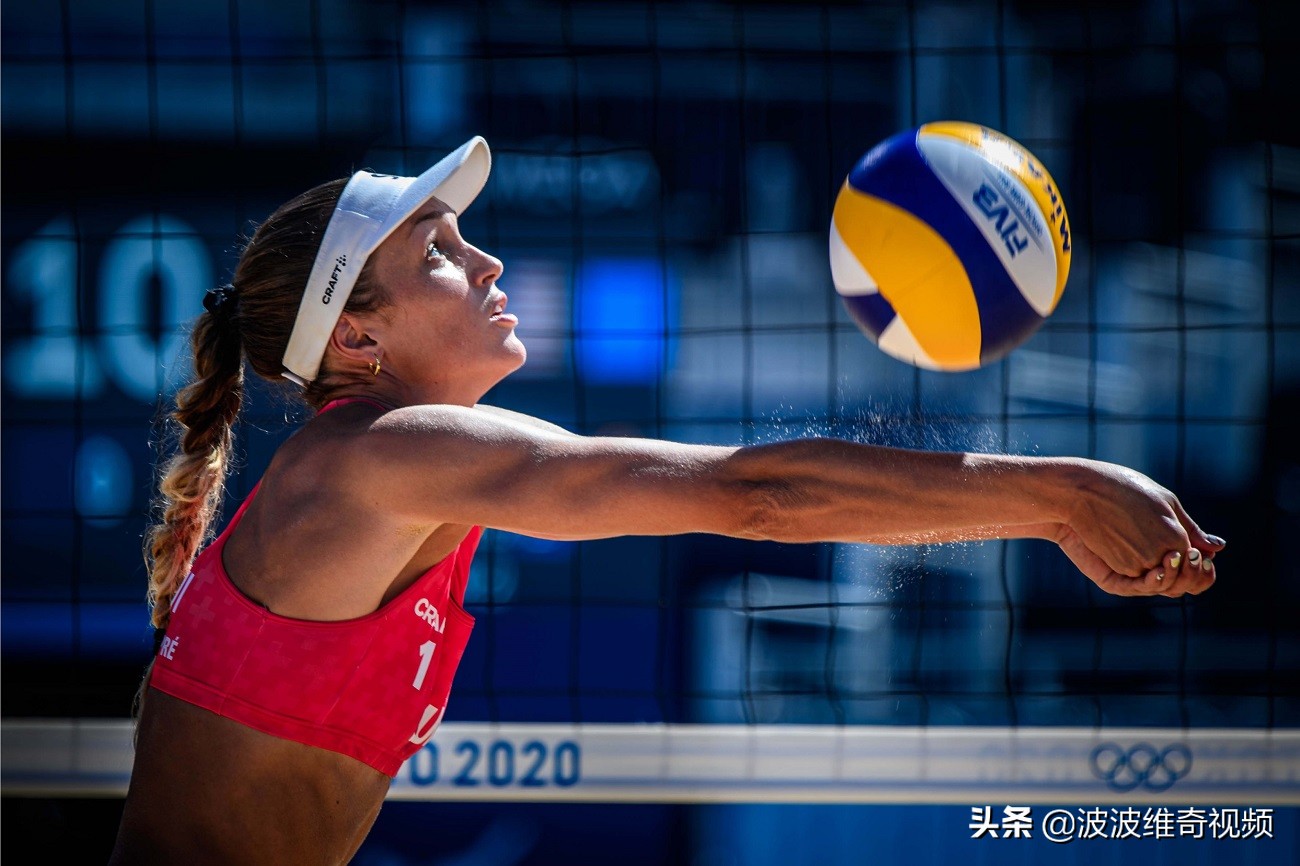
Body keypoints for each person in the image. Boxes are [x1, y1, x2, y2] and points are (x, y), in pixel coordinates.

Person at [108, 136, 1222, 865]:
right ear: (357, 335)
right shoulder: (377, 456)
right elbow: (755, 496)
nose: (488, 261)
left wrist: (1055, 505)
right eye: (440, 253)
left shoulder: (384, 465)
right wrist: (1063, 494)